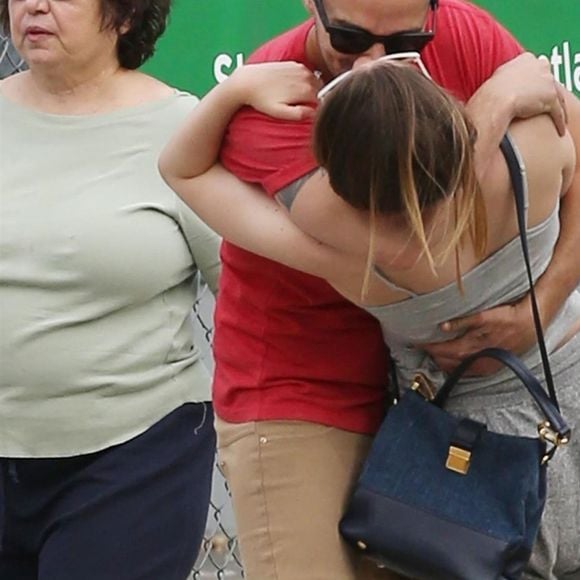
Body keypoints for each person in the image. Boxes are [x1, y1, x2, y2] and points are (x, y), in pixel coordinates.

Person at [162, 1, 580, 579]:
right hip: (312, 393)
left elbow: (182, 170)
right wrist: (496, 104)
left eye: (408, 39)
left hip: (436, 406)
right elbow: (555, 147)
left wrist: (228, 92)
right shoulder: (531, 147)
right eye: (352, 38)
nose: (377, 61)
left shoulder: (364, 264)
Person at [0, 0, 221, 578]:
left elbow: (252, 292)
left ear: (124, 16)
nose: (36, 5)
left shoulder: (182, 128)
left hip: (132, 461)